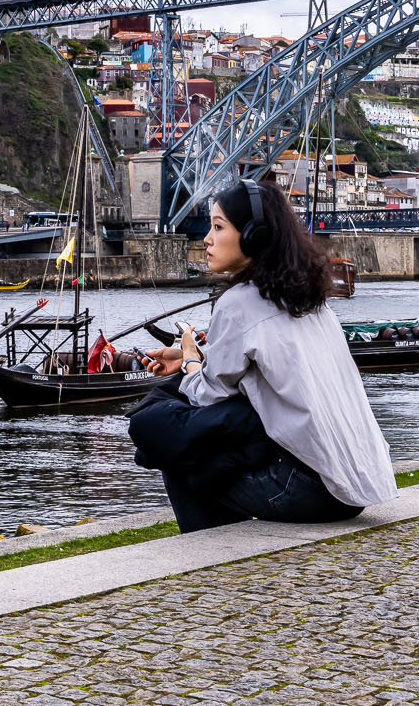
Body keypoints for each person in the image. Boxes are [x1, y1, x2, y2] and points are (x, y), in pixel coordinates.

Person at [133, 177, 397, 532]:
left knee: (174, 450)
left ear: (254, 235)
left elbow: (209, 397)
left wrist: (192, 359)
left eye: (218, 227)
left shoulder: (237, 302)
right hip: (353, 485)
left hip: (308, 490)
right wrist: (192, 360)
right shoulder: (311, 300)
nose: (206, 239)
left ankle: (210, 564)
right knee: (190, 437)